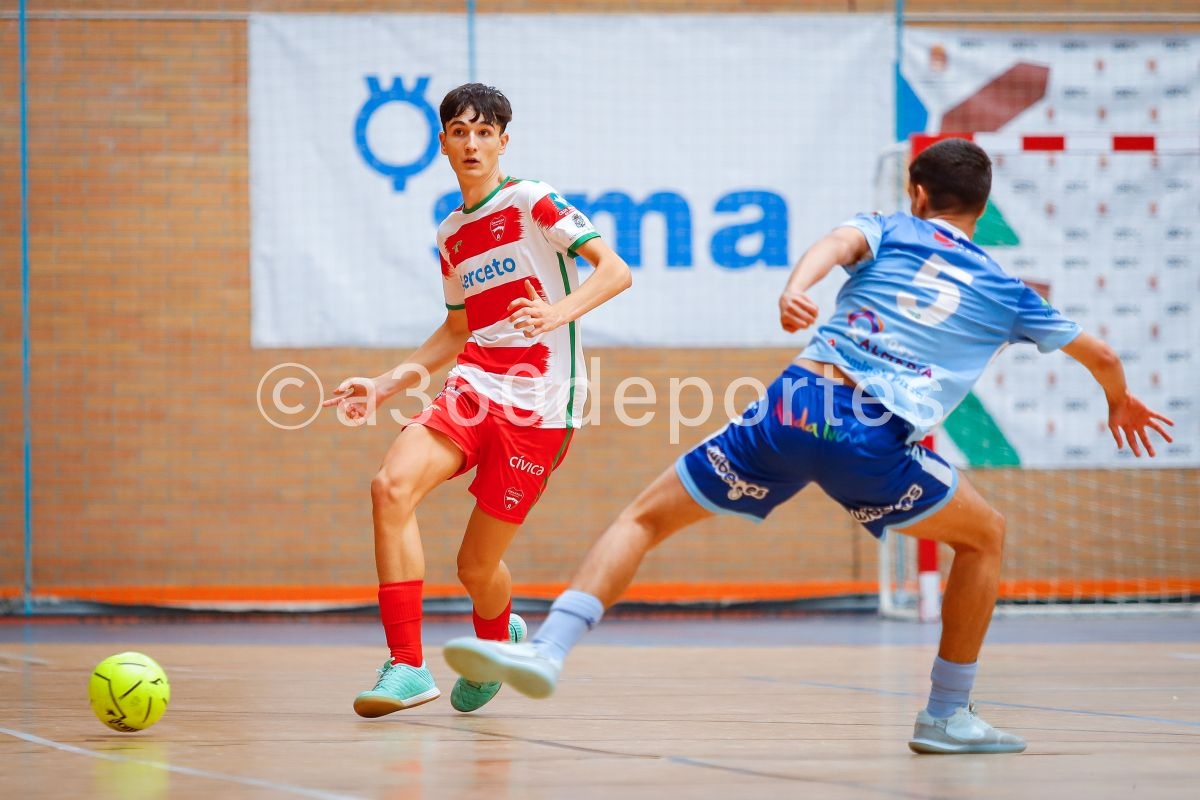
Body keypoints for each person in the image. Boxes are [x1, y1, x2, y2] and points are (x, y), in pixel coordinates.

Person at [442, 137, 1174, 752]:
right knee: (984, 537)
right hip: (870, 438)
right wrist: (1119, 399)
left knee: (644, 517)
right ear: (981, 209)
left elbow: (832, 246)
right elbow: (1103, 357)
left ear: (916, 190)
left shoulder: (891, 226)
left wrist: (797, 288)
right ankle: (947, 713)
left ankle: (549, 647)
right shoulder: (1008, 289)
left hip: (792, 405)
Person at [325, 83, 632, 717]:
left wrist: (556, 312)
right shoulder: (451, 233)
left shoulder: (531, 202)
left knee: (475, 567)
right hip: (472, 386)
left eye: (484, 132)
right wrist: (386, 383)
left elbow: (614, 270)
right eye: (459, 132)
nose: (472, 143)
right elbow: (458, 329)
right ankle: (407, 667)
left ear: (502, 141)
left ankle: (499, 638)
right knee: (390, 487)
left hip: (542, 405)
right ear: (442, 143)